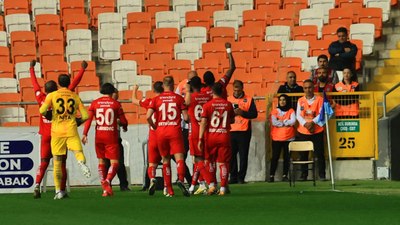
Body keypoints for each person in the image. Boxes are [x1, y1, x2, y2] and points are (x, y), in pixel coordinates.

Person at [31, 60, 88, 199]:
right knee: (61, 162)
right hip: (59, 132)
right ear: (56, 87)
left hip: (45, 135)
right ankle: (61, 190)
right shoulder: (60, 96)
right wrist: (82, 70)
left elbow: (34, 85)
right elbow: (74, 83)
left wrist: (31, 69)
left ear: (45, 89)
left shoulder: (41, 98)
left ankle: (37, 184)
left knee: (44, 161)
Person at [146, 76, 190, 197]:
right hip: (175, 131)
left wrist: (155, 126)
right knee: (180, 158)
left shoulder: (156, 99)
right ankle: (180, 179)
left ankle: (169, 190)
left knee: (165, 160)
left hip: (161, 132)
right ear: (173, 84)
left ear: (163, 86)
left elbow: (148, 116)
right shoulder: (179, 98)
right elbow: (186, 118)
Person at [82, 83, 128, 197]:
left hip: (99, 136)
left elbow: (88, 120)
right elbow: (123, 121)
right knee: (115, 163)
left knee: (101, 161)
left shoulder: (95, 103)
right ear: (112, 92)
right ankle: (107, 181)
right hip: (111, 135)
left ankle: (105, 190)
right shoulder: (116, 104)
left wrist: (84, 134)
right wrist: (125, 126)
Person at [198, 83, 235, 196]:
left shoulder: (207, 105)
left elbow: (203, 122)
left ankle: (212, 185)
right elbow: (232, 121)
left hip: (211, 137)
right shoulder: (228, 105)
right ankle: (223, 188)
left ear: (212, 92)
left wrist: (200, 138)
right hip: (224, 136)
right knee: (223, 163)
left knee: (210, 161)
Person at [132, 82, 164, 196]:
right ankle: (168, 187)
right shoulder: (166, 101)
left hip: (153, 136)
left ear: (153, 90)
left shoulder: (150, 101)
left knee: (152, 164)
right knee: (166, 162)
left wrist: (135, 89)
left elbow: (134, 101)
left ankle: (152, 179)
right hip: (164, 135)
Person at [184, 76, 212, 195]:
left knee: (197, 160)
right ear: (200, 85)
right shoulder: (208, 97)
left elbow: (185, 118)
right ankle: (197, 185)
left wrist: (187, 91)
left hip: (195, 131)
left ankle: (210, 184)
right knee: (206, 160)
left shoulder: (190, 99)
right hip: (207, 131)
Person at [227, 80, 258, 184]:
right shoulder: (228, 99)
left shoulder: (248, 99)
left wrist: (242, 112)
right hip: (231, 130)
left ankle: (241, 177)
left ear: (242, 88)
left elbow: (254, 114)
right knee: (231, 155)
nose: (236, 91)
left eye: (238, 89)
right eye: (235, 89)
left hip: (244, 131)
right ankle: (233, 176)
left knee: (243, 155)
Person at [296, 79, 326, 181]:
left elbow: (321, 114)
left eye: (309, 87)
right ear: (303, 89)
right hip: (303, 131)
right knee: (303, 154)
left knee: (320, 154)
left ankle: (322, 175)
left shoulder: (320, 100)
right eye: (305, 88)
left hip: (317, 130)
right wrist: (306, 124)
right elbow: (298, 116)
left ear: (313, 88)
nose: (308, 90)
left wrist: (312, 122)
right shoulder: (300, 100)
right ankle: (303, 175)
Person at [101, 88, 131, 192]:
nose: (118, 94)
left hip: (109, 137)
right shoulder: (114, 105)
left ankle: (122, 185)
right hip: (112, 138)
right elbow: (121, 120)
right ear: (112, 93)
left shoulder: (109, 104)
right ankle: (109, 185)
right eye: (117, 93)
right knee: (115, 162)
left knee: (115, 163)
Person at [269, 94, 296, 182]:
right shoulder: (274, 111)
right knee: (275, 157)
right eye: (280, 100)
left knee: (287, 157)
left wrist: (281, 122)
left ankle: (285, 175)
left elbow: (293, 121)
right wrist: (285, 123)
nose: (282, 101)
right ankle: (271, 176)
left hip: (289, 138)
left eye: (284, 100)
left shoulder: (291, 110)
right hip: (277, 138)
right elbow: (274, 122)